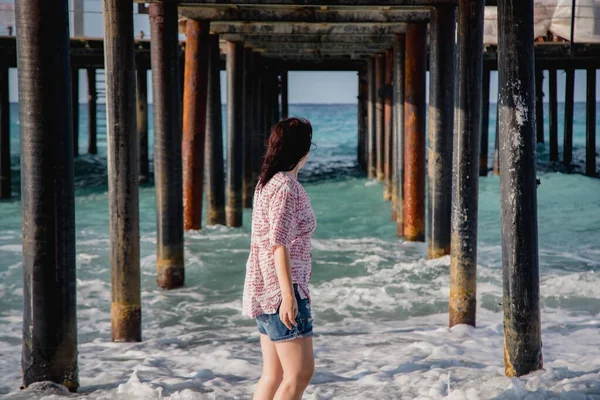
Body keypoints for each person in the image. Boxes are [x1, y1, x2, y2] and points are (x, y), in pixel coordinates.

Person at [242, 117, 317, 400]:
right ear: (304, 151)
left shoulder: (267, 183)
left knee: (273, 376)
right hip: (281, 291)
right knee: (299, 373)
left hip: (261, 289)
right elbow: (279, 244)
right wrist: (288, 296)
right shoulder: (286, 187)